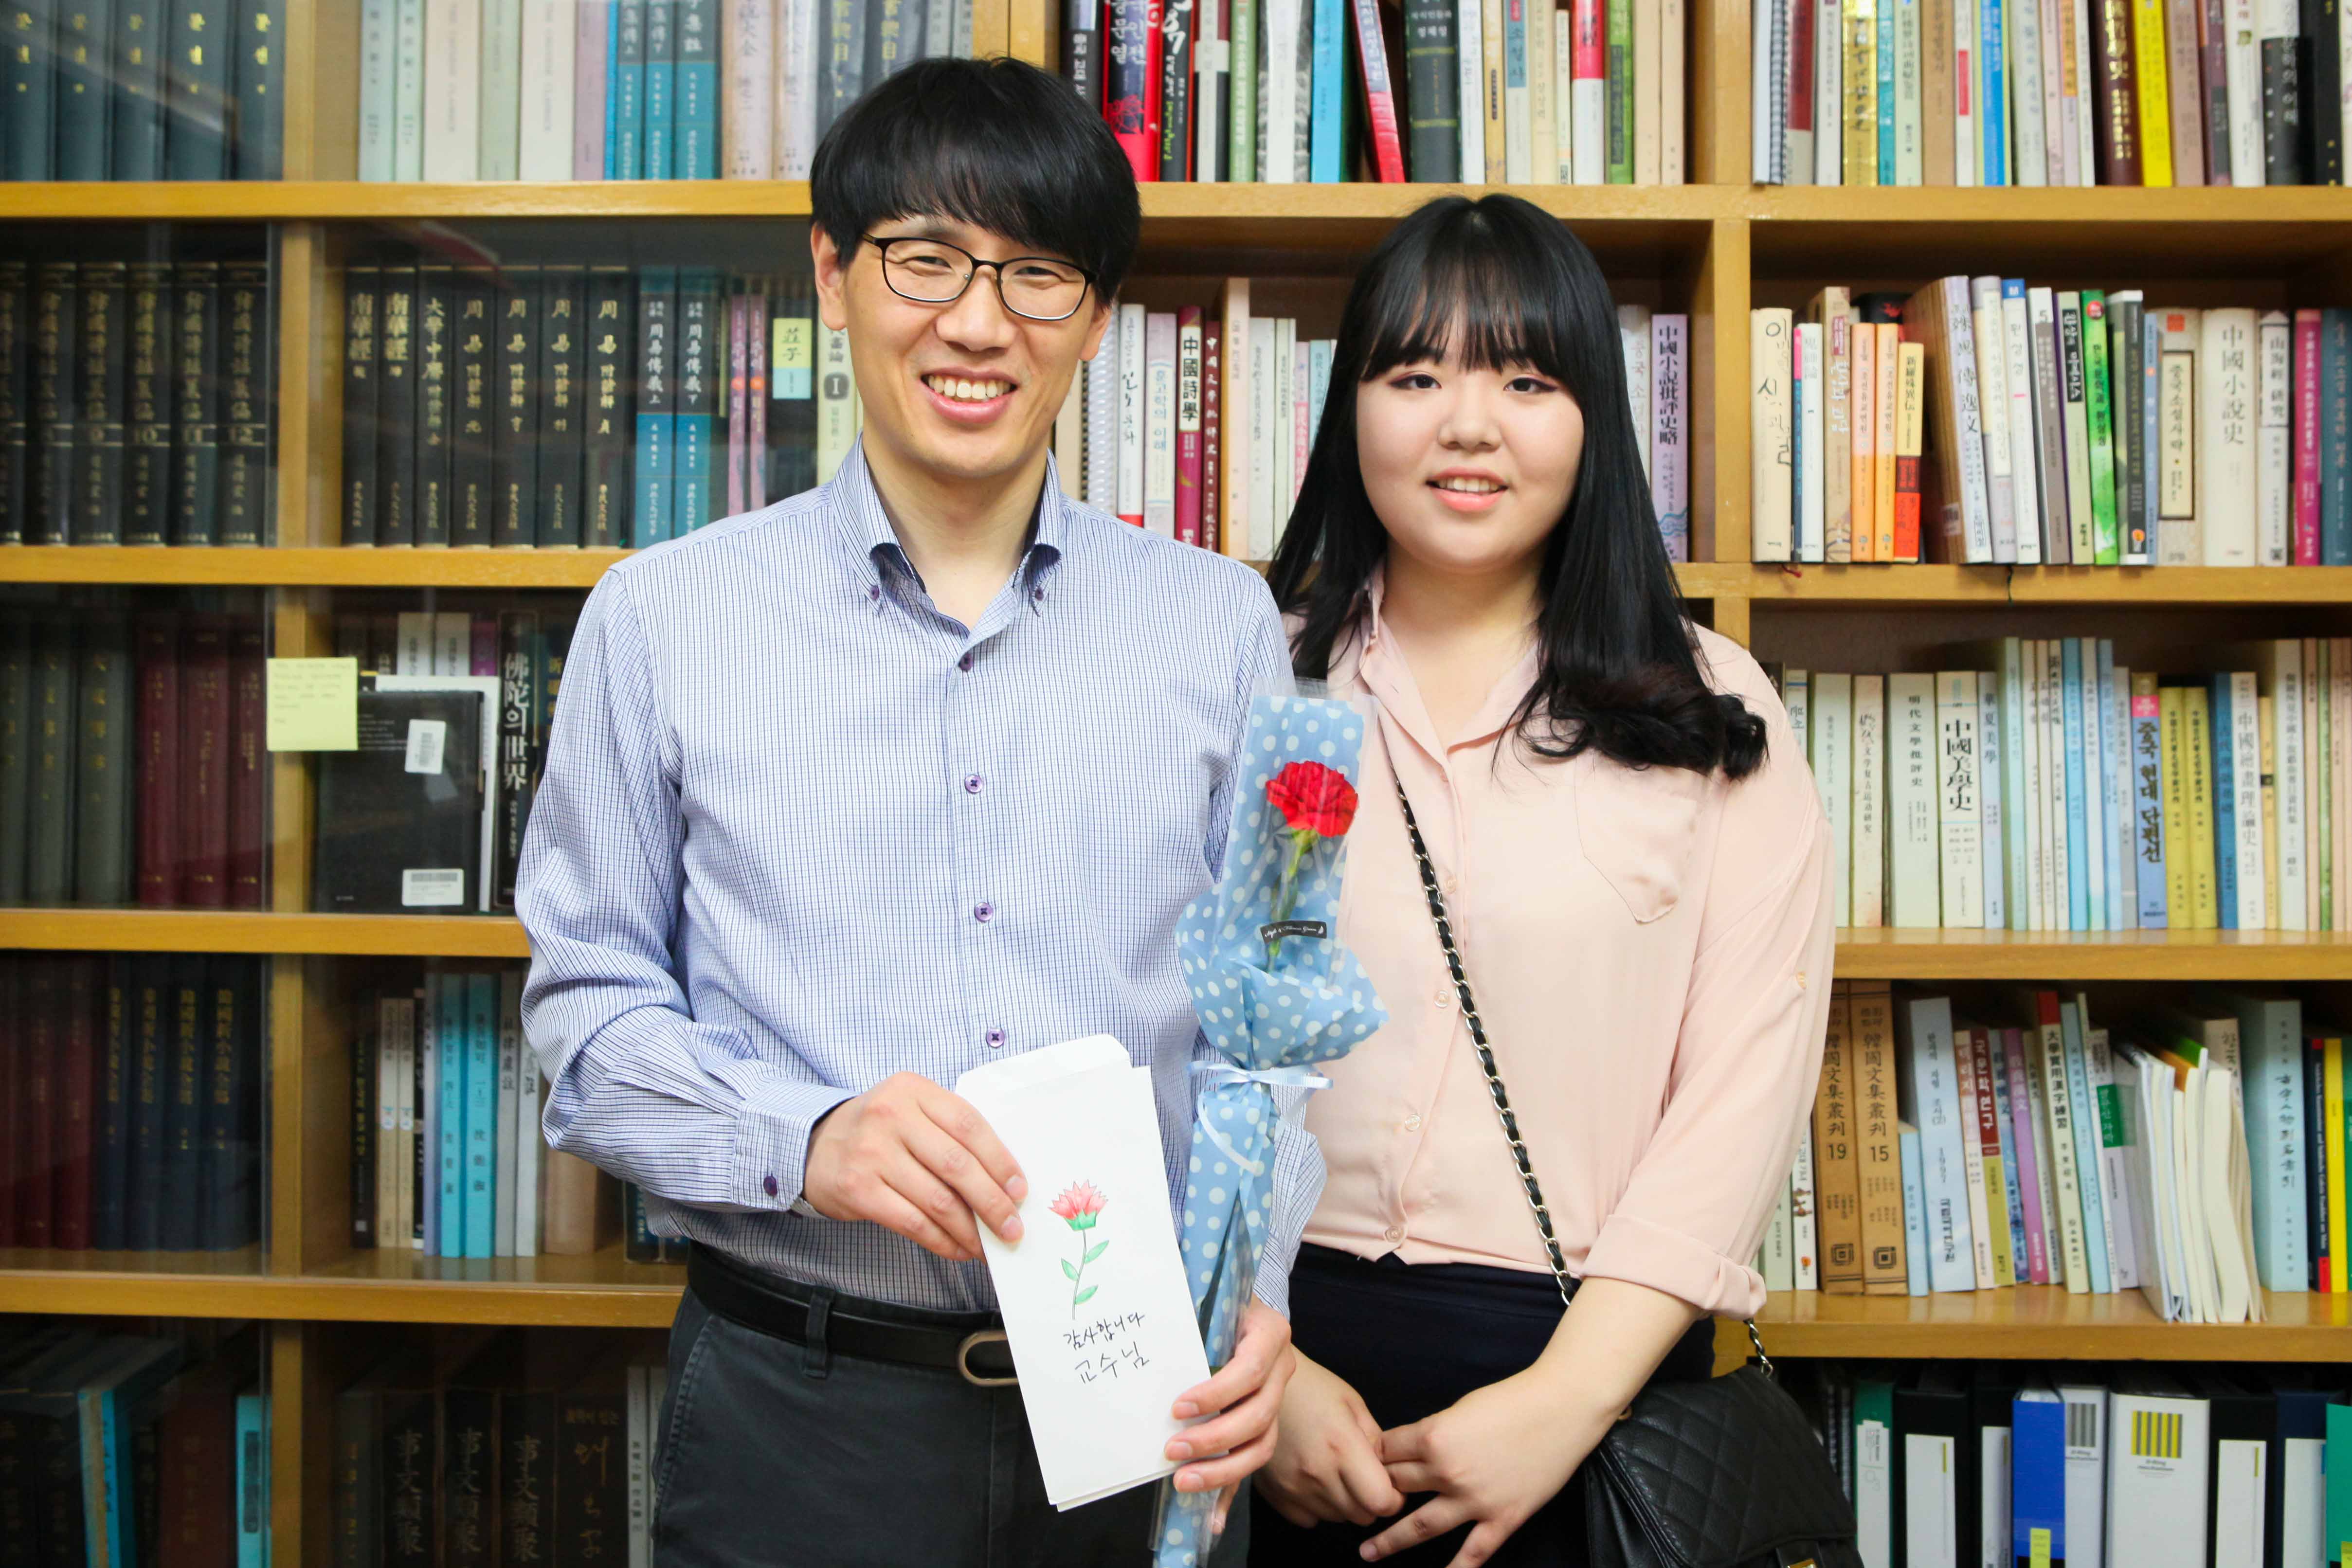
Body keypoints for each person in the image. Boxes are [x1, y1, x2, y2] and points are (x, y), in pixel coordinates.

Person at [516, 56, 1308, 1568]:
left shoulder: (1221, 628)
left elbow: (1263, 1027)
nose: (978, 323)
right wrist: (803, 1137)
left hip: (1147, 1397)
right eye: (925, 259)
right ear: (832, 272)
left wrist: (1254, 1291)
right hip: (800, 1407)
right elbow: (586, 1016)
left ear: (1096, 316)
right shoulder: (662, 619)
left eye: (1038, 274)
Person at [1248, 194, 1836, 1568]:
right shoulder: (1250, 678)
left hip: (1591, 1379)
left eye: (1524, 380)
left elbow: (1745, 1089)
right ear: (1349, 410)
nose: (1468, 425)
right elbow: (1158, 1045)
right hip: (1277, 1379)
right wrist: (1255, 1362)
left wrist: (1564, 1404)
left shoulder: (1710, 706)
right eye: (1414, 376)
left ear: (1593, 420)